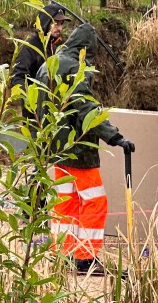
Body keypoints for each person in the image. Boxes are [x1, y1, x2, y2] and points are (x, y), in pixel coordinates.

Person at [36, 23, 135, 275]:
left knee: (64, 201)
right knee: (95, 201)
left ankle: (63, 255)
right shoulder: (76, 67)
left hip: (55, 148)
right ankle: (85, 258)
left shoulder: (47, 65)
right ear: (86, 49)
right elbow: (86, 108)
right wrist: (115, 137)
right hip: (78, 150)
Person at [11, 2, 68, 127]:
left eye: (61, 24)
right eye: (56, 23)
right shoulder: (29, 48)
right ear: (45, 23)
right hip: (34, 117)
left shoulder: (56, 48)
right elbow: (17, 78)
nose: (59, 28)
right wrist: (33, 100)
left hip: (54, 116)